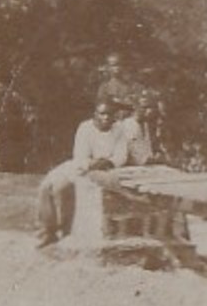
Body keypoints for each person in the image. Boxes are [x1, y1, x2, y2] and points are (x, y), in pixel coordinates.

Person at [35, 96, 153, 247]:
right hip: (81, 166)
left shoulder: (119, 130)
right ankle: (47, 232)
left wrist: (107, 162)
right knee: (47, 185)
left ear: (114, 117)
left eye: (109, 114)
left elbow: (120, 156)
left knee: (63, 189)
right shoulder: (85, 128)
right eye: (102, 114)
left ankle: (65, 232)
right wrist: (91, 163)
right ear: (95, 115)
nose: (105, 118)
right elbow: (80, 156)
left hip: (105, 169)